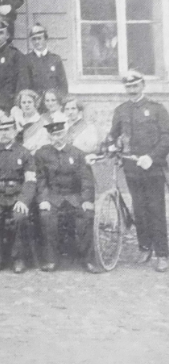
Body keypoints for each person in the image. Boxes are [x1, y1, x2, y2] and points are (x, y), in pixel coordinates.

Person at [105, 71, 169, 272]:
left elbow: (166, 137)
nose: (132, 90)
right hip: (132, 169)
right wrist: (109, 146)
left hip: (152, 168)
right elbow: (112, 134)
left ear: (142, 86)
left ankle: (162, 254)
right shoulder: (121, 110)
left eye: (135, 86)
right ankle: (145, 247)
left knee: (156, 209)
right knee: (139, 209)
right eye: (128, 87)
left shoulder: (156, 109)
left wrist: (152, 157)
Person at [34, 115, 97, 273]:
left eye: (60, 134)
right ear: (49, 136)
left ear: (67, 134)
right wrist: (43, 199)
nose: (57, 138)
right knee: (46, 216)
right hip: (53, 197)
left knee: (86, 215)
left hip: (74, 196)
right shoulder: (42, 154)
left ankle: (88, 260)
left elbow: (86, 179)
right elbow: (40, 179)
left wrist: (87, 200)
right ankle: (51, 260)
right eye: (53, 135)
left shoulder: (77, 153)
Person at [0, 115, 36, 273]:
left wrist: (24, 200)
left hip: (17, 195)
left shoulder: (24, 153)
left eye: (8, 129)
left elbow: (30, 180)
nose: (5, 133)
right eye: (2, 130)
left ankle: (17, 258)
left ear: (15, 131)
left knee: (19, 216)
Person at [21, 23, 68, 98]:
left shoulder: (55, 59)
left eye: (39, 38)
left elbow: (63, 86)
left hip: (52, 103)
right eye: (34, 39)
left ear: (46, 39)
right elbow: (24, 87)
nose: (36, 42)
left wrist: (58, 102)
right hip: (35, 104)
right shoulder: (26, 60)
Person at [12, 89, 49, 153]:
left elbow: (43, 144)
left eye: (29, 102)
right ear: (20, 104)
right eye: (23, 102)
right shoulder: (16, 119)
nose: (27, 105)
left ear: (35, 103)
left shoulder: (42, 122)